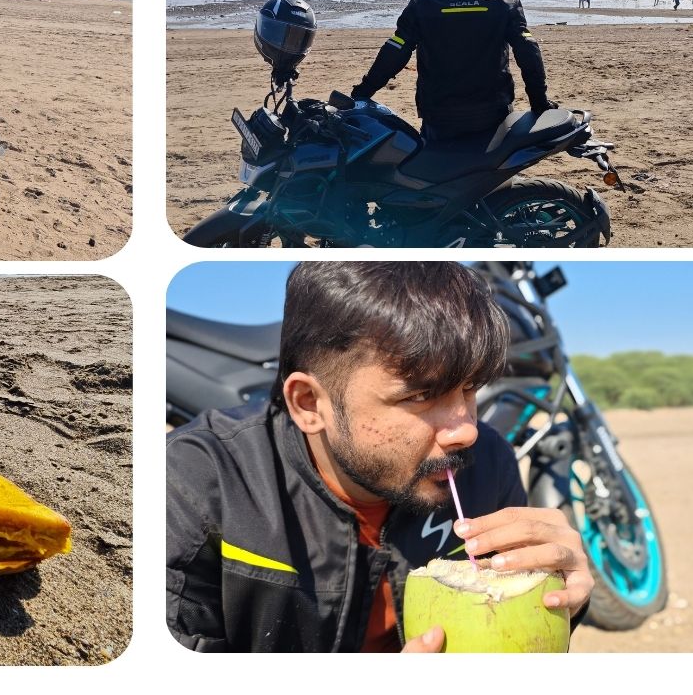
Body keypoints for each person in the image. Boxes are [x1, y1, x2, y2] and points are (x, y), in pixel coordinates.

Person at [166, 262, 595, 652]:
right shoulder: (195, 483)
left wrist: (555, 605)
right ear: (310, 404)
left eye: (470, 388)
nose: (466, 429)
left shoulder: (488, 462)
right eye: (421, 395)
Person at [350, 0, 555, 144]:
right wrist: (539, 102)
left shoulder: (422, 6)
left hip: (440, 115)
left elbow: (395, 51)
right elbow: (528, 51)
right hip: (492, 111)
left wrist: (362, 93)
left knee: (435, 169)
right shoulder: (504, 4)